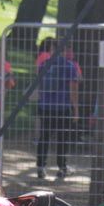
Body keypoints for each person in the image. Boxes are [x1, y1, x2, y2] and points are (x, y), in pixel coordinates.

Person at [35, 37, 81, 181]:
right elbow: (73, 89)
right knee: (62, 138)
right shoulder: (69, 66)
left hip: (46, 106)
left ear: (52, 49)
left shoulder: (44, 65)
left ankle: (41, 167)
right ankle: (62, 167)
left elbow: (39, 86)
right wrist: (76, 109)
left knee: (45, 136)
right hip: (63, 107)